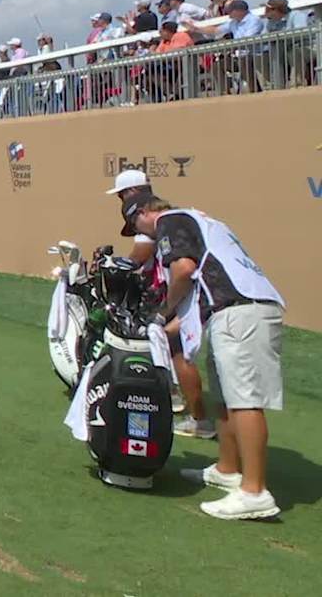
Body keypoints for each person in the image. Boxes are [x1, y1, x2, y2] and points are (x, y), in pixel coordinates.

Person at [121, 193, 286, 520]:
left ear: (145, 212)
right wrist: (162, 328)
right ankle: (227, 469)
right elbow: (195, 299)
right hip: (233, 312)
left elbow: (183, 270)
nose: (140, 233)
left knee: (244, 401)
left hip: (239, 313)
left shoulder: (169, 221)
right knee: (225, 398)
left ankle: (254, 492)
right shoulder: (199, 220)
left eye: (135, 224)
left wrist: (161, 310)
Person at [105, 170, 213, 439]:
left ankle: (197, 417)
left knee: (178, 352)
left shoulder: (158, 221)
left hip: (182, 292)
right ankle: (183, 403)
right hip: (189, 292)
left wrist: (166, 308)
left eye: (122, 194)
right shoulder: (171, 216)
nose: (121, 199)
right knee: (174, 348)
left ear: (133, 193)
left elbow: (141, 257)